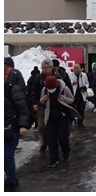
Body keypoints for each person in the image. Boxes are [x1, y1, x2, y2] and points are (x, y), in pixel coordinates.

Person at [5, 58, 31, 191]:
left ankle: (11, 180)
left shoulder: (12, 88)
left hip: (11, 125)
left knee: (7, 155)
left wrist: (23, 125)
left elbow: (22, 107)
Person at [40, 75, 75, 167]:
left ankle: (66, 152)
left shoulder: (64, 89)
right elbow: (42, 102)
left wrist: (65, 99)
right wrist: (42, 100)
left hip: (62, 117)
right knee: (51, 139)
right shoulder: (44, 90)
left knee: (62, 137)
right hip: (50, 118)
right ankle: (54, 159)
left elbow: (72, 99)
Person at [32, 58, 55, 152]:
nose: (44, 70)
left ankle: (53, 142)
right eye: (43, 68)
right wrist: (34, 103)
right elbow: (33, 91)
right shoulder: (38, 78)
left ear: (51, 67)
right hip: (41, 105)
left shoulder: (57, 77)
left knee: (52, 126)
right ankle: (44, 141)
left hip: (54, 106)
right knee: (41, 126)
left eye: (46, 68)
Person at [69, 63, 90, 128]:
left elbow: (87, 83)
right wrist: (73, 82)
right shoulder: (70, 75)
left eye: (77, 68)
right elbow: (68, 83)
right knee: (72, 110)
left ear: (80, 69)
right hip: (73, 95)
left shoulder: (84, 75)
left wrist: (85, 87)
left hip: (81, 94)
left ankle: (80, 122)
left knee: (81, 110)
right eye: (75, 68)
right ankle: (70, 122)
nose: (76, 70)